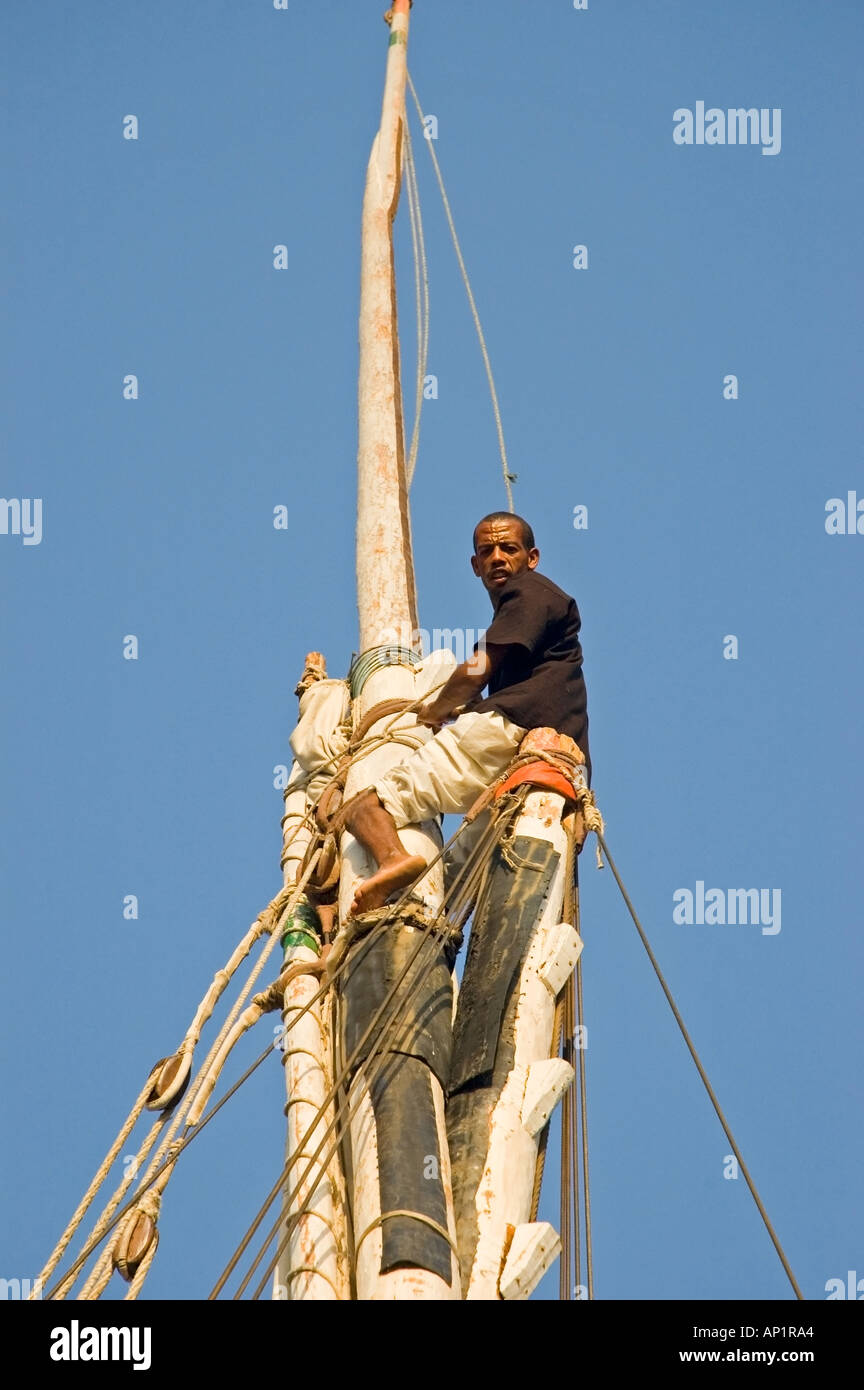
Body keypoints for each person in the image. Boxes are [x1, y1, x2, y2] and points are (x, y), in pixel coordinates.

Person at [344, 512, 591, 915]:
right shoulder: (538, 618)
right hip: (534, 759)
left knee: (366, 807)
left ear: (532, 558)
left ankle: (393, 859)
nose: (497, 558)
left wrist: (434, 710)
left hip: (508, 734)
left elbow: (478, 668)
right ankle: (424, 930)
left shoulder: (531, 592)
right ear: (475, 565)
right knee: (455, 882)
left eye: (508, 549)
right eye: (486, 551)